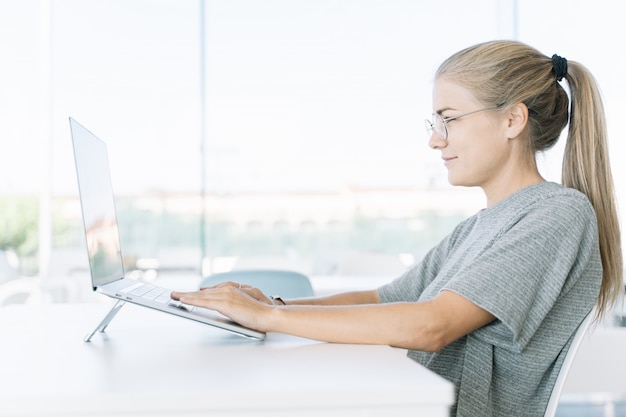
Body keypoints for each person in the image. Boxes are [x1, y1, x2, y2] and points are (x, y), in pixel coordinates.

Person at [171, 40, 623, 416]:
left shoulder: (557, 215)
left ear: (512, 119)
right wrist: (274, 305)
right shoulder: (480, 226)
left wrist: (271, 318)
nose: (434, 139)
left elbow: (432, 326)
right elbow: (386, 299)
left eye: (448, 119)